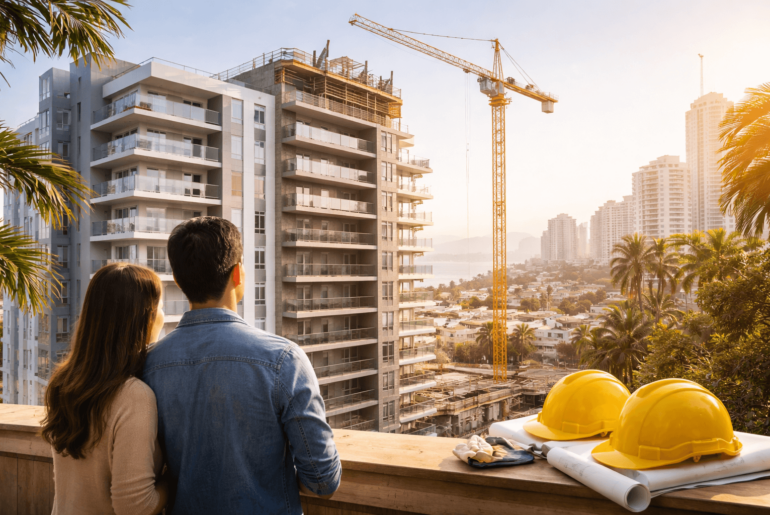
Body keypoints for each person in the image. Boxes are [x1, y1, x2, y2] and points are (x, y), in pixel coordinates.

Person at [143, 216, 341, 514]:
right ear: (237, 274)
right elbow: (323, 481)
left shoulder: (148, 363)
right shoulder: (284, 360)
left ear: (178, 280)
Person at [42, 263, 168, 515]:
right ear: (145, 318)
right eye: (160, 307)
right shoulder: (133, 396)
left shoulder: (63, 383)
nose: (162, 316)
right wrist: (174, 479)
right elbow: (136, 507)